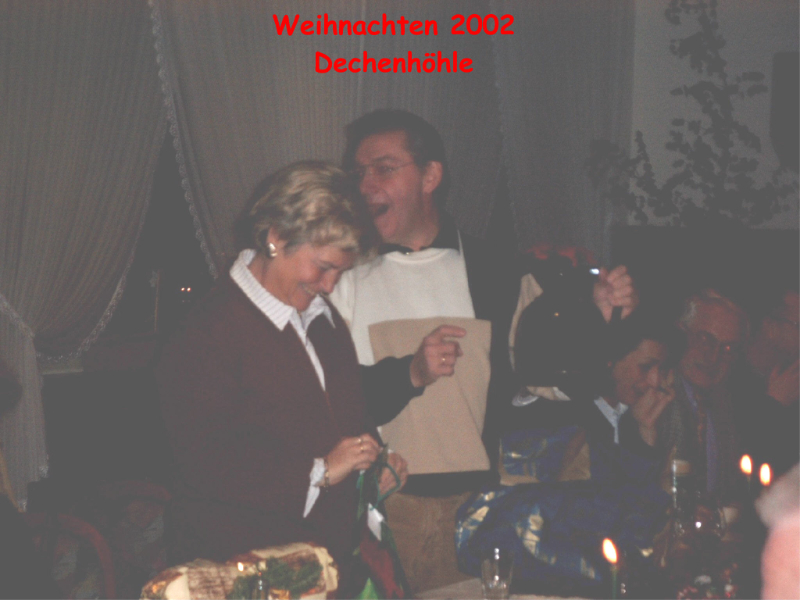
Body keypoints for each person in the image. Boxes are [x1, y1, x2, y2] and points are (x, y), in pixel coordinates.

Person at [329, 109, 637, 592]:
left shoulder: (496, 271)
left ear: (431, 175)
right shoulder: (341, 275)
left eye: (384, 169)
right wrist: (410, 372)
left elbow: (552, 382)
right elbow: (328, 398)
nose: (366, 186)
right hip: (381, 513)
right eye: (359, 173)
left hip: (476, 514)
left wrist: (594, 321)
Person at [156, 161, 408, 589]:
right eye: (323, 267)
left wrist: (374, 464)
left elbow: (347, 417)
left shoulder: (322, 318)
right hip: (246, 571)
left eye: (340, 271)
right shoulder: (206, 330)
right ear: (276, 237)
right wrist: (320, 472)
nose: (330, 286)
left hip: (327, 566)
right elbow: (203, 463)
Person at [656, 288, 748, 502]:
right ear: (681, 333)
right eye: (705, 339)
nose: (713, 357)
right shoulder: (657, 395)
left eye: (727, 348)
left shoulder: (725, 405)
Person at [731, 288, 799, 477]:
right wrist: (773, 405)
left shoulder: (791, 384)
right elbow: (735, 464)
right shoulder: (728, 376)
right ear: (770, 327)